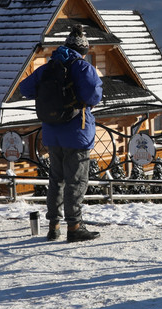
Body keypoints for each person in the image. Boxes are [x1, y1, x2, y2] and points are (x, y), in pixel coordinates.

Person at [19, 25, 104, 242]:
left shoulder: (49, 67)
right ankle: (74, 226)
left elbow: (25, 89)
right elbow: (94, 95)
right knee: (76, 181)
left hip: (51, 132)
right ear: (84, 50)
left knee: (56, 180)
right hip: (76, 132)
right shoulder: (82, 67)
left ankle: (53, 226)